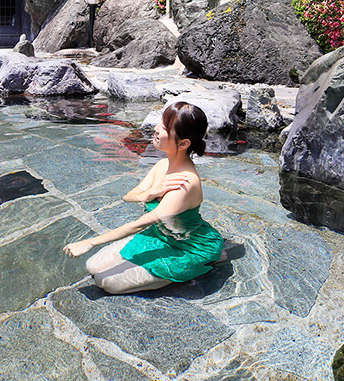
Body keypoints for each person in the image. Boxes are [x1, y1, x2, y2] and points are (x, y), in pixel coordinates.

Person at [62, 101, 224, 294]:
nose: (156, 129)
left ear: (183, 143)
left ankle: (205, 261)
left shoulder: (185, 183)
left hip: (187, 247)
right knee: (93, 266)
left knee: (107, 283)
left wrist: (90, 242)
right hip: (160, 235)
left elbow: (141, 223)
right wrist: (151, 193)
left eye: (164, 128)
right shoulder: (162, 165)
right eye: (160, 123)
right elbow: (129, 196)